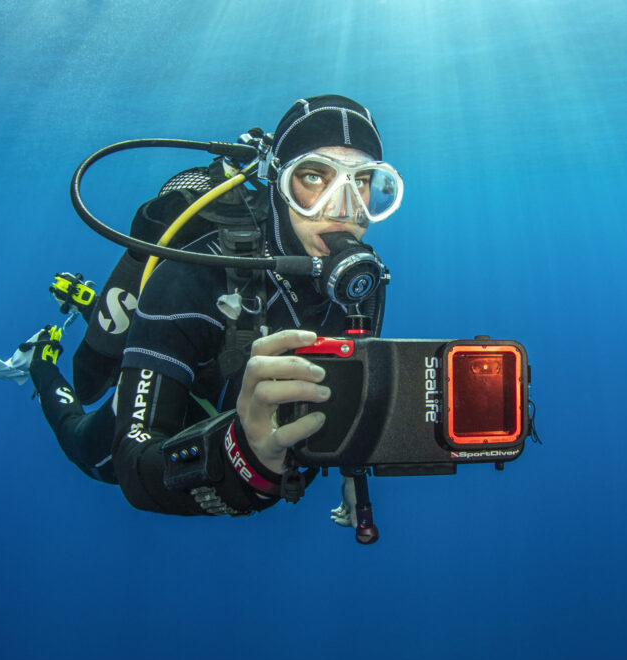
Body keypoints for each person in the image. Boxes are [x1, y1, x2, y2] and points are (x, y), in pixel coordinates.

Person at [26, 95, 402, 519]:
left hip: (199, 367)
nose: (343, 206)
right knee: (86, 448)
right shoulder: (191, 278)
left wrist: (354, 478)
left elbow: (354, 384)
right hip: (176, 402)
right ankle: (39, 363)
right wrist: (248, 464)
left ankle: (93, 304)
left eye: (364, 182)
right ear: (279, 182)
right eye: (314, 177)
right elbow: (132, 465)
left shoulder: (363, 284)